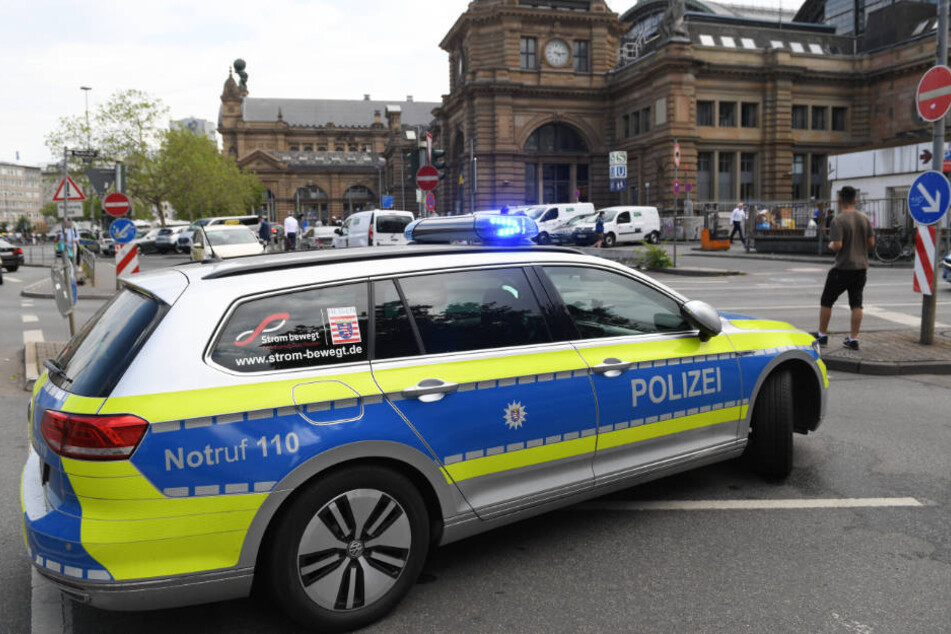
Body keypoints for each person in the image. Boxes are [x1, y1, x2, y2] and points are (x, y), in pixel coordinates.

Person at [815, 186, 874, 351]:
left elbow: (838, 245)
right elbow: (871, 243)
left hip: (842, 267)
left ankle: (822, 335)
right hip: (861, 267)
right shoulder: (864, 218)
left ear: (839, 201)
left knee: (827, 300)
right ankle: (853, 339)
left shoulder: (838, 220)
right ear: (855, 200)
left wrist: (831, 244)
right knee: (856, 304)